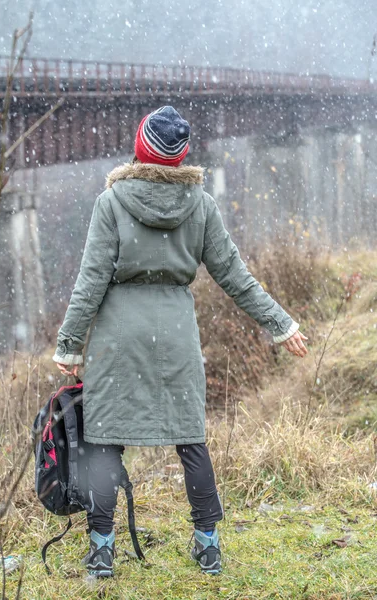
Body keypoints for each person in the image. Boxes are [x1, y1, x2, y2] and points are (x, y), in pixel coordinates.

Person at [53, 106, 308, 578]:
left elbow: (90, 280)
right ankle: (208, 547)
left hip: (118, 336)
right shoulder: (201, 205)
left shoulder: (111, 203)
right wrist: (281, 323)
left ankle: (102, 551)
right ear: (180, 156)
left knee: (106, 441)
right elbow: (235, 276)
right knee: (190, 438)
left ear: (140, 148)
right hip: (175, 334)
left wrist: (70, 344)